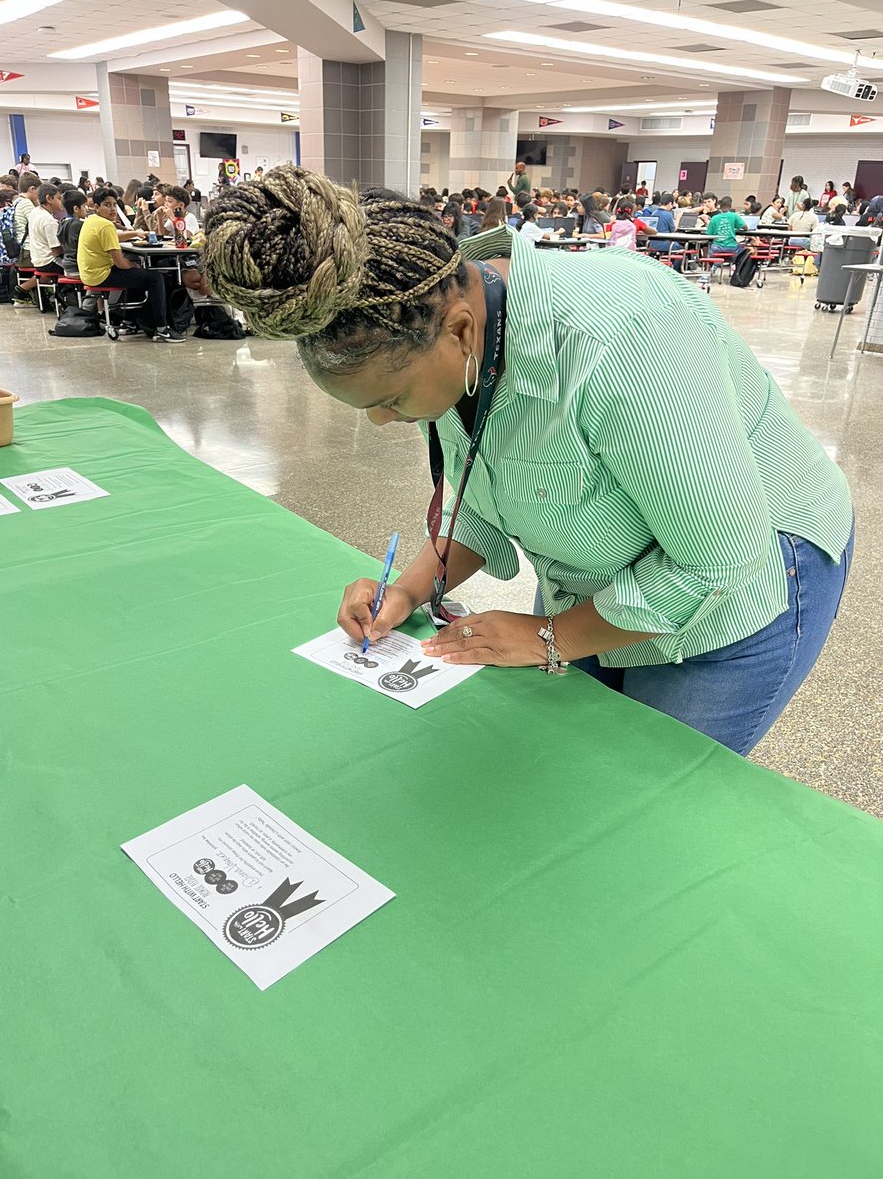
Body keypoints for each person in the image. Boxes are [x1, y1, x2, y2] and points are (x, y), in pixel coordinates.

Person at [202, 168, 853, 756]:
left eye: (391, 400)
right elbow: (484, 500)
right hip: (603, 567)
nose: (382, 420)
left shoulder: (624, 339)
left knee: (648, 787)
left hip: (748, 574)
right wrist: (406, 589)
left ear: (460, 332)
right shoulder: (452, 338)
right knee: (568, 760)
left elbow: (717, 558)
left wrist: (549, 636)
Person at [77, 187, 184, 343]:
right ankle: (162, 329)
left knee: (136, 276)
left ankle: (128, 322)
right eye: (107, 205)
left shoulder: (92, 220)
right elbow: (121, 263)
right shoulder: (106, 226)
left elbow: (115, 236)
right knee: (154, 278)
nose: (112, 209)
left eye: (114, 205)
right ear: (96, 207)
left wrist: (136, 234)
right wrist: (135, 266)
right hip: (101, 275)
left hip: (89, 273)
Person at [11, 173, 43, 305]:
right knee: (50, 270)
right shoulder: (26, 204)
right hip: (28, 251)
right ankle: (21, 290)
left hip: (22, 251)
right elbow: (38, 223)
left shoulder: (17, 201)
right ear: (32, 189)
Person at [27, 183, 65, 278]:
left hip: (37, 260)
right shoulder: (49, 221)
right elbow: (56, 250)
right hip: (49, 262)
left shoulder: (35, 212)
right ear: (49, 199)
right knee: (75, 268)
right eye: (59, 199)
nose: (61, 202)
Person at [57, 189, 88, 276]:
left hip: (67, 265)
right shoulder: (78, 224)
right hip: (77, 267)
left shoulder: (62, 223)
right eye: (84, 206)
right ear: (76, 208)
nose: (87, 209)